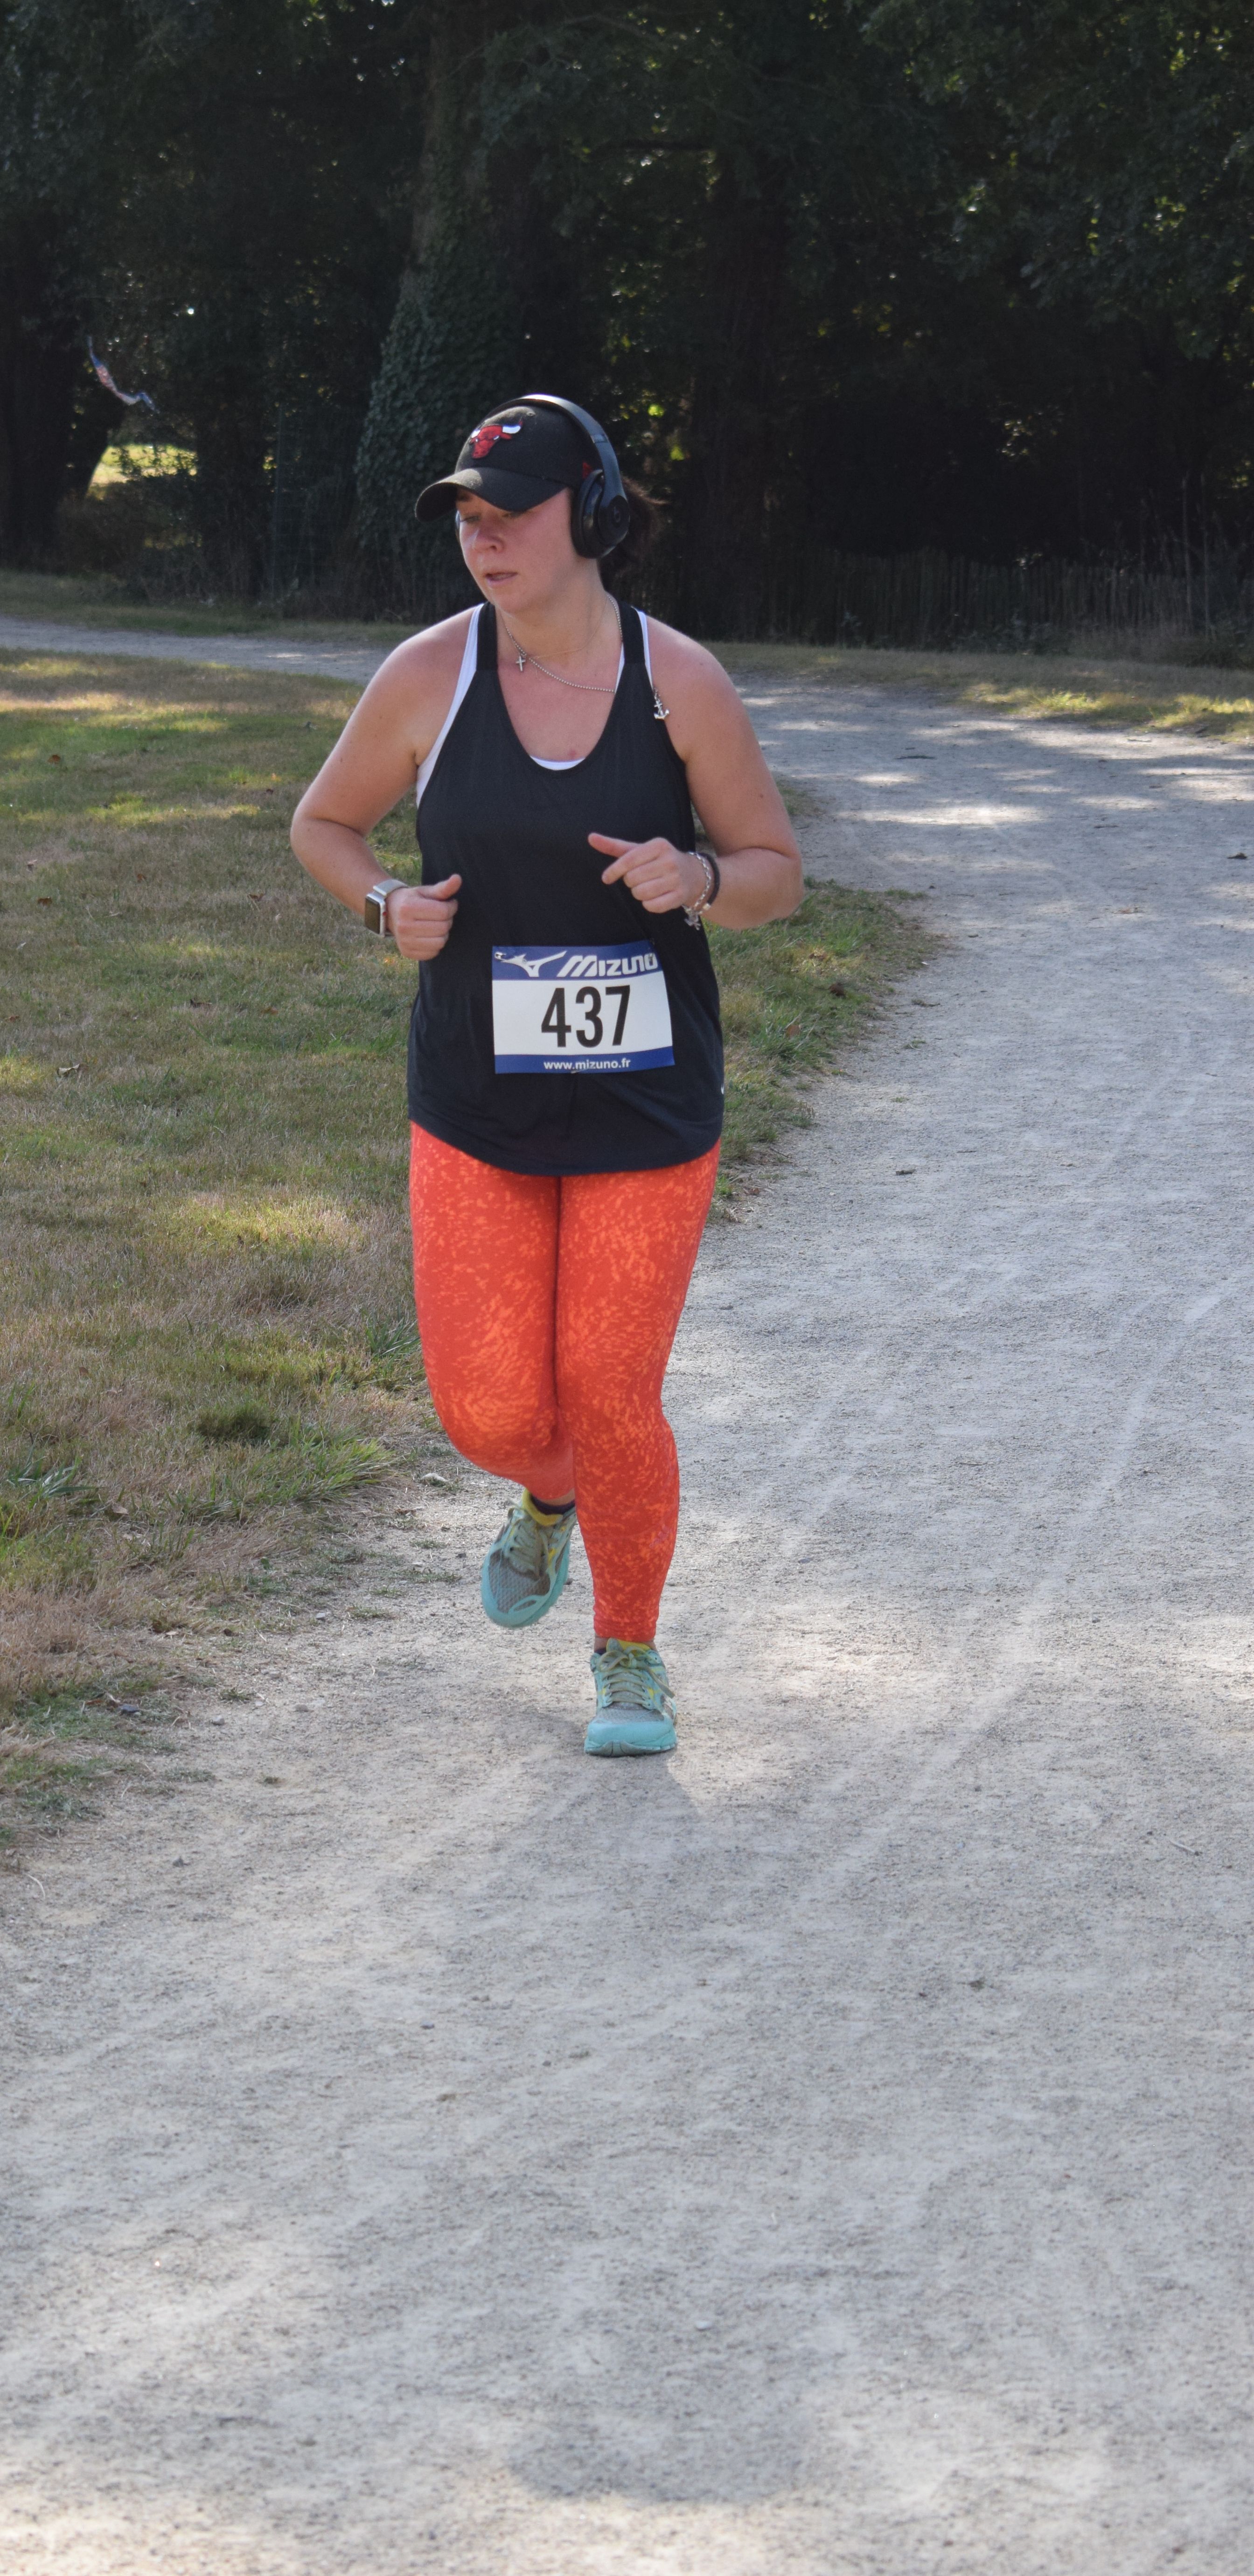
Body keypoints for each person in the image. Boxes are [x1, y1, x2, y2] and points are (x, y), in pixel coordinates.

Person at [290, 396, 802, 1755]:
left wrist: (699, 877)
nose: (485, 536)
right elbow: (324, 823)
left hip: (646, 1103)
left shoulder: (678, 682)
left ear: (593, 514)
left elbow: (775, 873)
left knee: (612, 1390)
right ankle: (548, 1496)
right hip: (477, 1099)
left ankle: (630, 1654)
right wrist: (384, 903)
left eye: (511, 511)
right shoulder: (428, 675)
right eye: (468, 514)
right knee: (495, 1411)